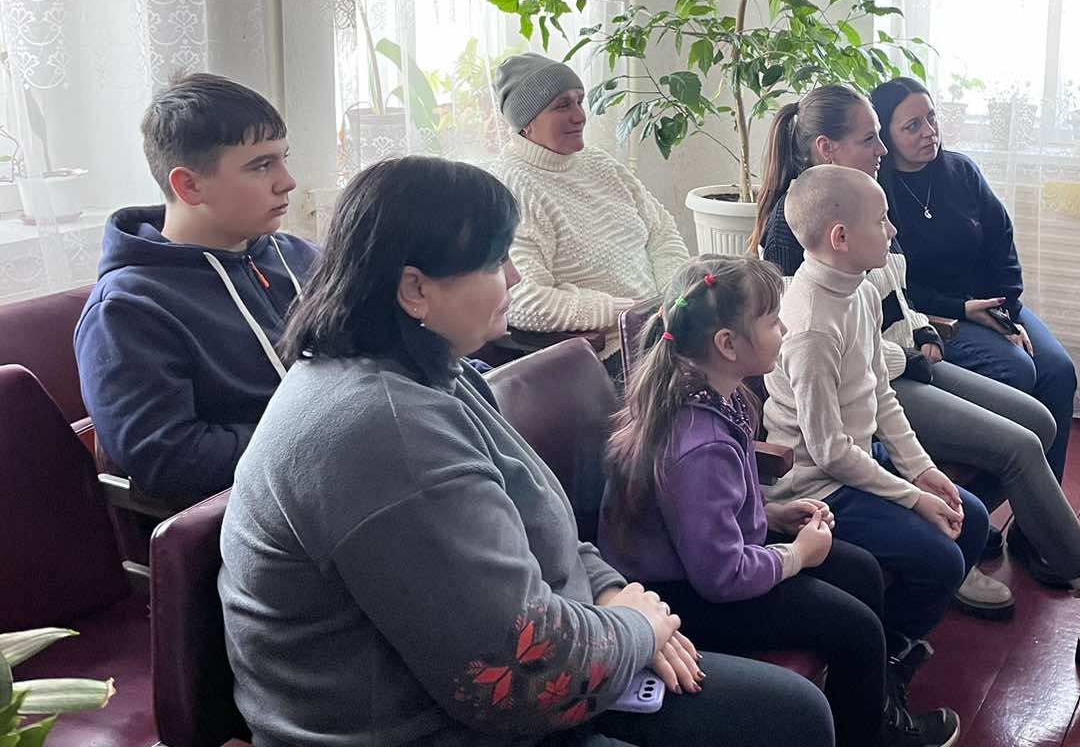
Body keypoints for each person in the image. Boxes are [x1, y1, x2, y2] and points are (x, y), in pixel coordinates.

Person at [219, 156, 834, 747]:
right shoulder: (385, 431)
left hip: (525, 675)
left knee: (786, 711)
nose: (514, 278)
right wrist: (636, 629)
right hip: (441, 727)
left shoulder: (433, 373)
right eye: (495, 261)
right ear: (415, 289)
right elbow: (517, 674)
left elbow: (544, 522)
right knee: (786, 718)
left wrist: (611, 592)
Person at [755, 93, 1080, 685]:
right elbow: (822, 361)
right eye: (872, 137)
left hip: (894, 370)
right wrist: (912, 366)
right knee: (1018, 443)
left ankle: (1024, 534)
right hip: (875, 387)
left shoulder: (867, 218)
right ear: (826, 149)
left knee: (1039, 417)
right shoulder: (805, 246)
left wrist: (925, 336)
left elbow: (896, 303)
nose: (884, 148)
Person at [600, 255, 960, 747]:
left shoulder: (720, 396)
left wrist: (769, 514)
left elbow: (704, 513)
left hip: (708, 560)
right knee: (856, 629)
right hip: (683, 596)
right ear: (728, 344)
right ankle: (868, 733)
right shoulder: (699, 443)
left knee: (861, 571)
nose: (784, 329)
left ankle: (865, 701)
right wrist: (796, 555)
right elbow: (721, 576)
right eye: (771, 321)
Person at [74, 73, 319, 507]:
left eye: (283, 158)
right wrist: (325, 435)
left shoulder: (300, 257)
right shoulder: (128, 309)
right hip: (250, 519)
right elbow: (168, 460)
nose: (287, 181)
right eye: (261, 166)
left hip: (338, 484)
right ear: (189, 185)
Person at [870, 78, 1078, 491]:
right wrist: (963, 310)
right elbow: (898, 284)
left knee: (1058, 371)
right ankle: (985, 497)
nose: (929, 131)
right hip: (936, 314)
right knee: (1015, 369)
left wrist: (1007, 315)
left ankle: (1039, 509)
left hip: (993, 305)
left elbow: (1003, 244)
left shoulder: (961, 171)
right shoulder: (878, 194)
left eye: (931, 118)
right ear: (885, 137)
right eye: (912, 126)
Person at [493, 52, 689, 375]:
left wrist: (674, 296)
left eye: (579, 101)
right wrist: (624, 312)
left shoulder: (599, 164)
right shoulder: (512, 187)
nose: (580, 116)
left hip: (664, 328)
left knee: (747, 334)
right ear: (526, 123)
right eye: (562, 106)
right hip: (613, 351)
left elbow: (661, 231)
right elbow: (523, 300)